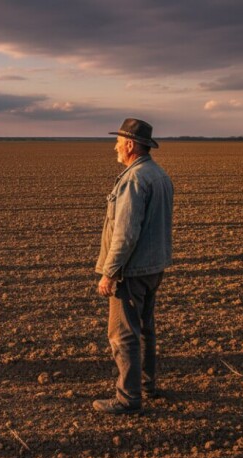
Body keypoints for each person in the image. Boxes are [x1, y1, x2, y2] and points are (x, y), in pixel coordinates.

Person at [93, 118, 174, 415]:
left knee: (123, 333)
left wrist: (110, 272)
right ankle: (147, 385)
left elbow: (125, 234)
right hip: (154, 267)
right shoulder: (159, 174)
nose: (114, 147)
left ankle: (128, 397)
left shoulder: (134, 179)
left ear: (130, 145)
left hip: (132, 270)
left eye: (117, 142)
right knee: (144, 330)